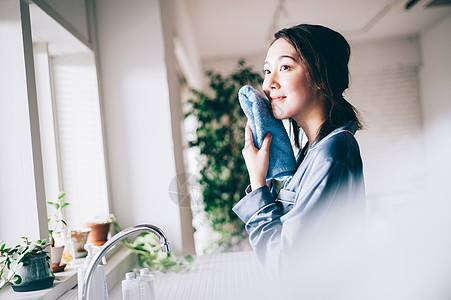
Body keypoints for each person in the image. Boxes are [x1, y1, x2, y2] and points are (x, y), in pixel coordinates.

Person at [232, 24, 366, 281]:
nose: (268, 83)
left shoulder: (331, 153)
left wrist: (257, 183)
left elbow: (286, 263)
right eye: (267, 71)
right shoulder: (314, 151)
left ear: (319, 77)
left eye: (285, 67)